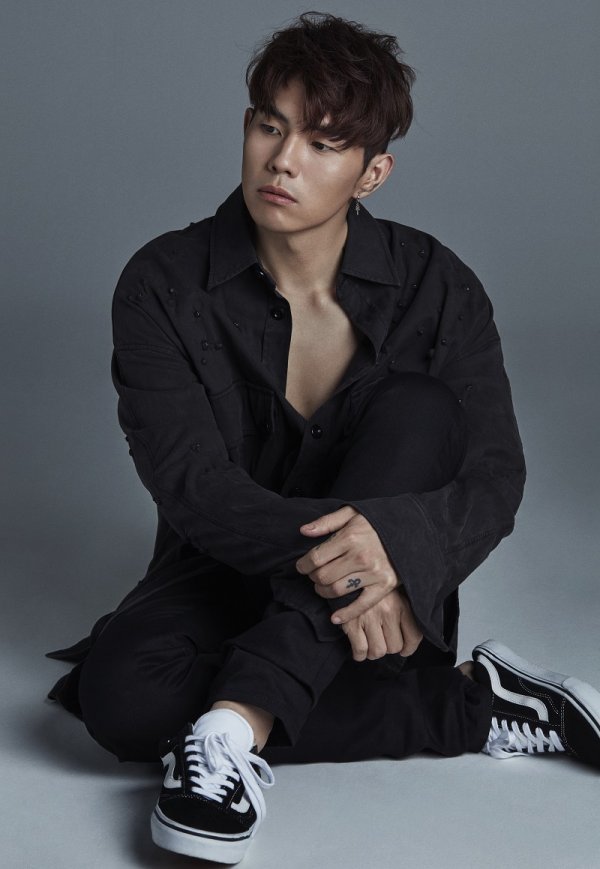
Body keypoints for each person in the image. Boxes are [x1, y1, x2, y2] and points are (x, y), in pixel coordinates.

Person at [47, 11, 600, 864]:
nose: (283, 160)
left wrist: (399, 552)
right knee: (119, 698)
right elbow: (194, 487)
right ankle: (476, 703)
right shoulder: (163, 284)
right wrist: (364, 560)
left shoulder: (437, 287)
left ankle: (231, 729)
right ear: (247, 126)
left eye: (323, 142)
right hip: (263, 577)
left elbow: (495, 478)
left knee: (420, 407)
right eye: (271, 126)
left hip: (384, 604)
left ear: (372, 172)